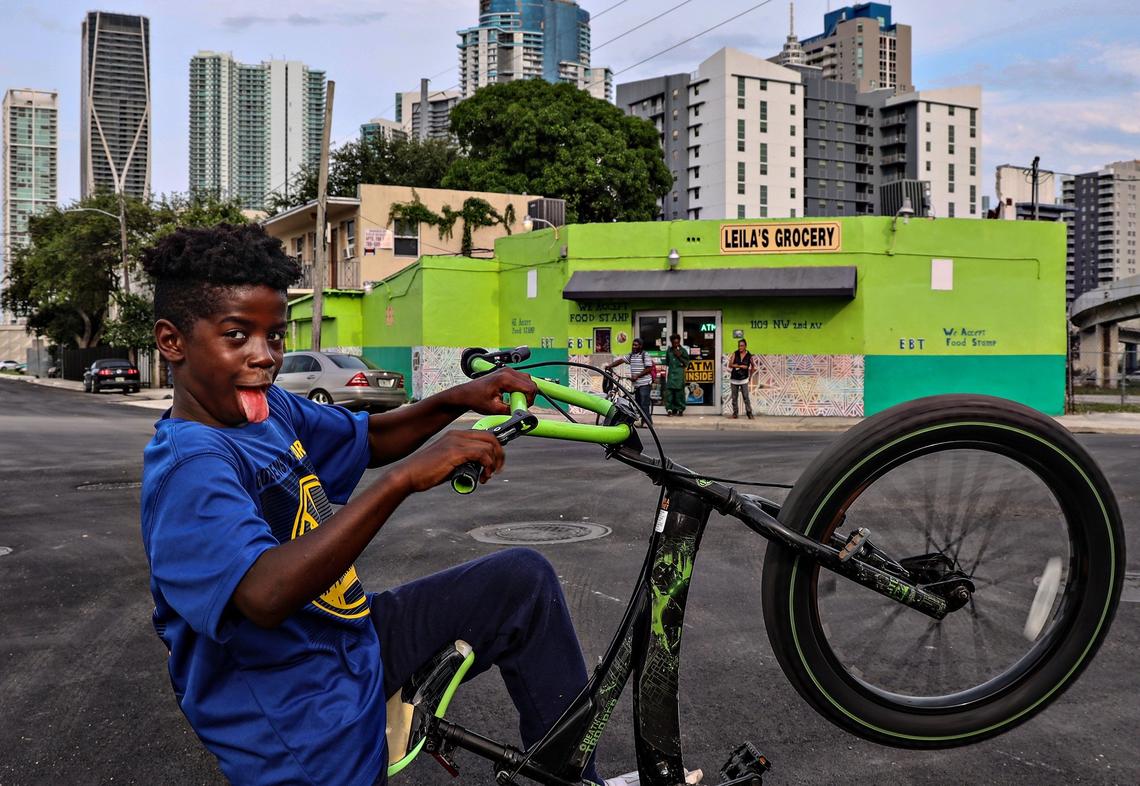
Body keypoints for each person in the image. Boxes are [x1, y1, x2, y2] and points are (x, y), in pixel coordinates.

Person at [139, 223, 614, 786]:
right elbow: (264, 595)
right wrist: (401, 483)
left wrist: (456, 398)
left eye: (275, 336)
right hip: (293, 705)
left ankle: (573, 778)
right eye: (238, 336)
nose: (264, 357)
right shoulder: (189, 467)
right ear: (172, 342)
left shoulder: (269, 413)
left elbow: (370, 438)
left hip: (349, 640)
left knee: (521, 582)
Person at [604, 337, 656, 424]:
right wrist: (610, 366)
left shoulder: (644, 355)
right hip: (636, 384)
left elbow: (649, 368)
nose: (634, 346)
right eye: (633, 345)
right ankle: (642, 421)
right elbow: (621, 360)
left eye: (636, 345)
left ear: (641, 346)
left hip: (645, 383)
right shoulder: (631, 355)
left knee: (644, 404)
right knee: (638, 404)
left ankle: (648, 422)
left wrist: (637, 376)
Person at [664, 334, 691, 416]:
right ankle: (670, 409)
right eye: (674, 343)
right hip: (671, 374)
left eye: (677, 342)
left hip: (679, 374)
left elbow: (686, 363)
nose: (676, 344)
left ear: (679, 342)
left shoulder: (683, 351)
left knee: (679, 393)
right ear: (672, 342)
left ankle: (680, 409)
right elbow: (667, 362)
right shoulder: (669, 351)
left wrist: (679, 356)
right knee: (669, 393)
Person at [728, 338, 754, 420]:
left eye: (742, 346)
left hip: (744, 379)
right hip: (734, 379)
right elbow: (730, 364)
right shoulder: (735, 354)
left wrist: (750, 376)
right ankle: (735, 413)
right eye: (739, 346)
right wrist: (740, 366)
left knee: (746, 397)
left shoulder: (749, 356)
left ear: (745, 346)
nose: (740, 347)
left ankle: (749, 413)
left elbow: (753, 366)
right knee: (734, 398)